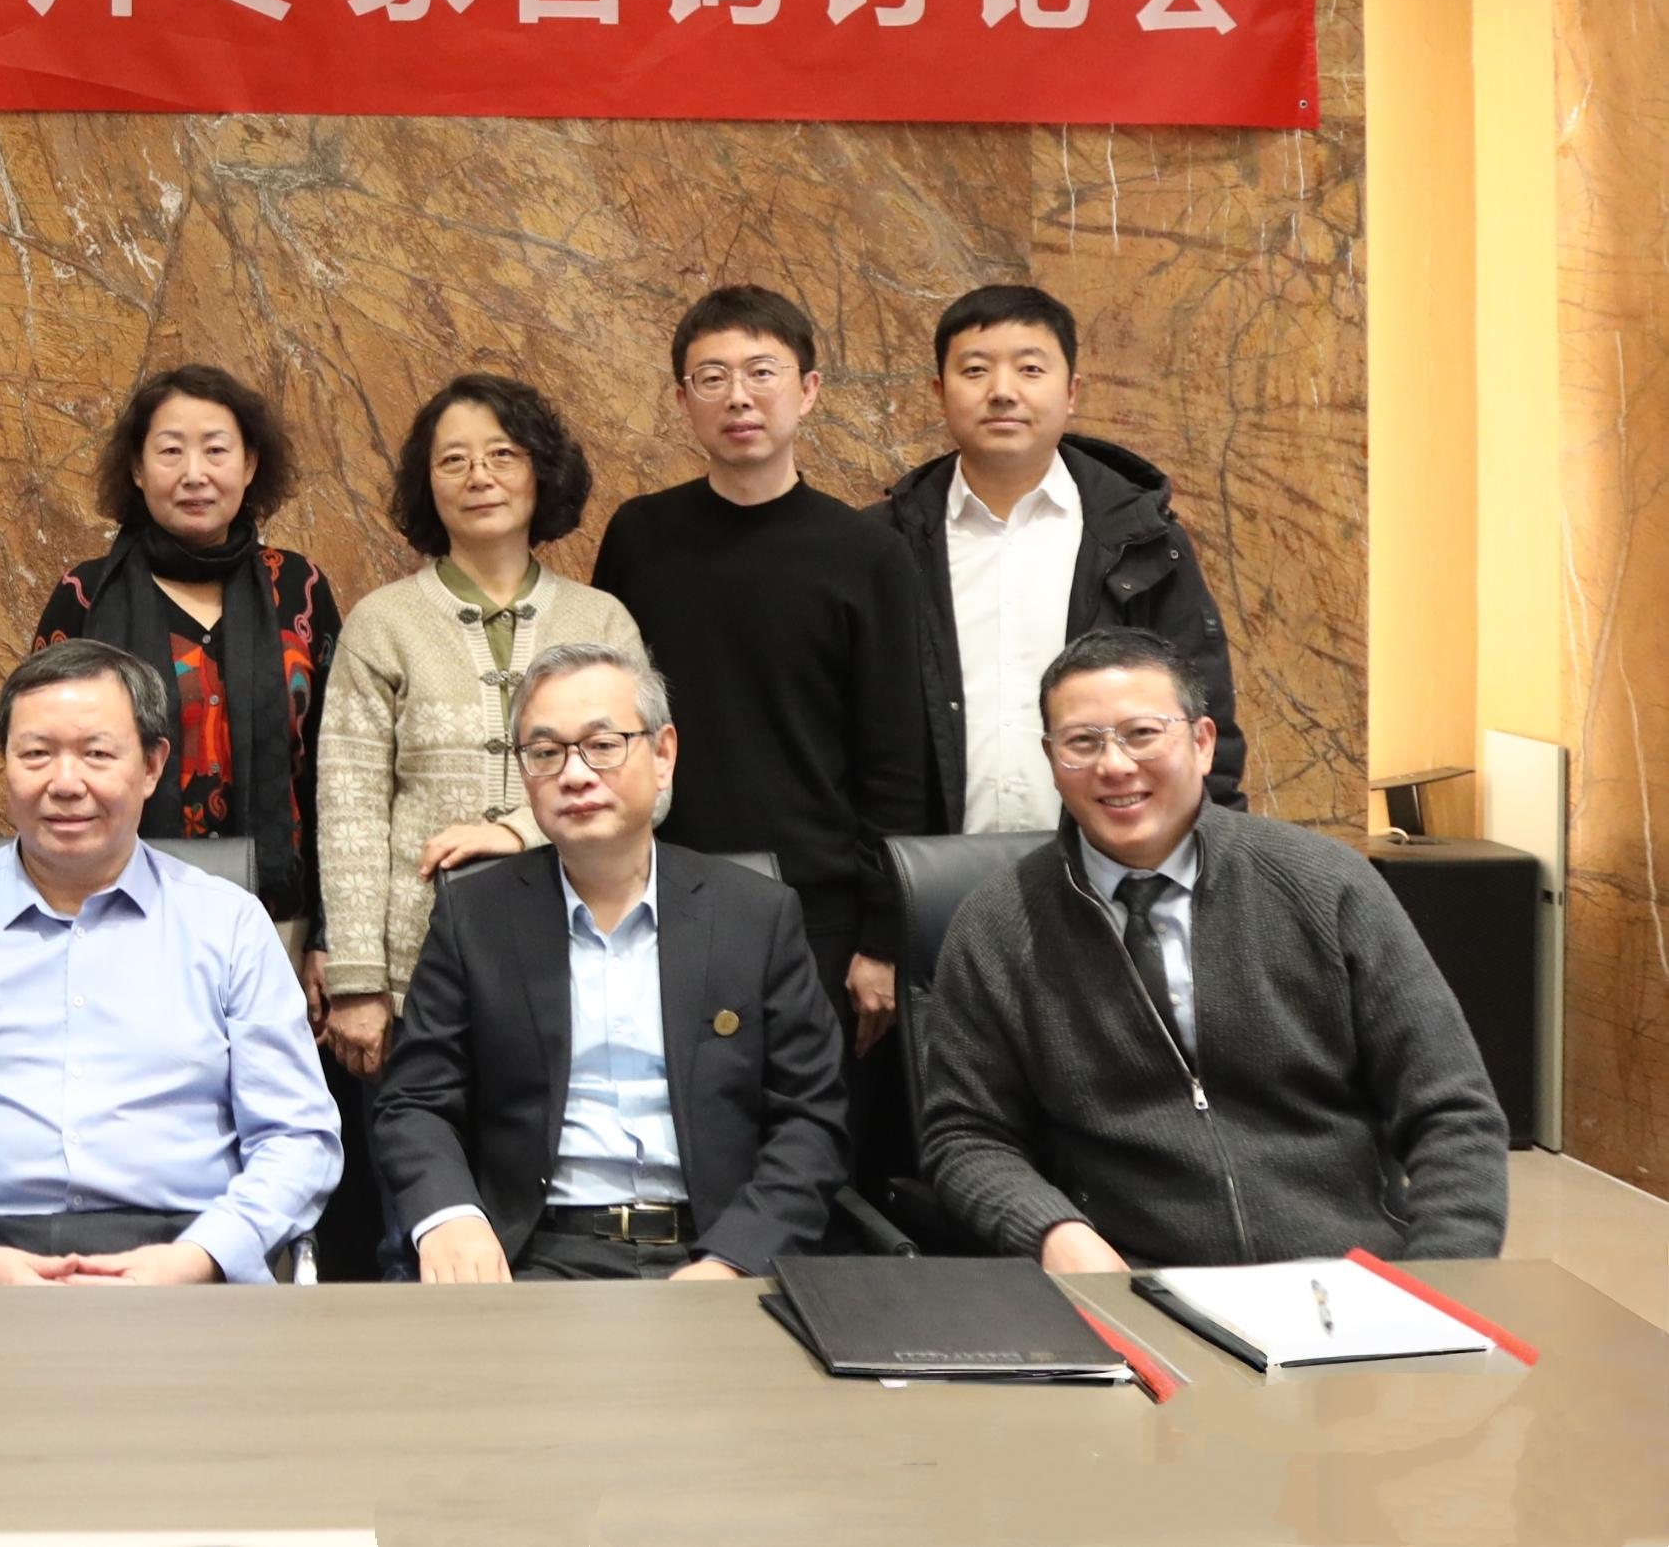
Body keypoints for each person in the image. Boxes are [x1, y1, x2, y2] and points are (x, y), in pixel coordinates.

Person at [918, 628, 1506, 1271]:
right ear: (1052, 759)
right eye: (1082, 742)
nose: (1114, 765)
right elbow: (966, 1135)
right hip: (1132, 1284)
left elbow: (1452, 1108)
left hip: (1345, 1277)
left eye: (1142, 734)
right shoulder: (1000, 924)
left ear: (1202, 744)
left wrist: (1441, 1281)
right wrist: (1052, 1232)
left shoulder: (1325, 886)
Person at [0, 639, 342, 1284]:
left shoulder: (231, 926)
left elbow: (297, 1138)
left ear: (152, 766)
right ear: (5, 765)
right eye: (36, 754)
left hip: (185, 1260)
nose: (65, 784)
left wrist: (201, 1258)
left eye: (97, 754)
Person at [372, 643, 848, 1282]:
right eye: (546, 752)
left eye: (602, 745)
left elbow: (812, 1120)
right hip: (534, 1257)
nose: (574, 774)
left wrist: (732, 1260)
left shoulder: (755, 915)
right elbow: (414, 1103)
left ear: (663, 755)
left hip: (714, 1251)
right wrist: (451, 1216)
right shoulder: (475, 918)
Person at [589, 285, 929, 1161]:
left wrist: (881, 940)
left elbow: (897, 758)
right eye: (712, 378)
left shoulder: (869, 554)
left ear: (808, 390)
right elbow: (605, 712)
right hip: (662, 891)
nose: (738, 397)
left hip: (818, 913)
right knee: (675, 1142)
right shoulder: (640, 536)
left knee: (811, 1151)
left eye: (762, 373)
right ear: (682, 400)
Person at [319, 373, 645, 1079]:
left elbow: (652, 786)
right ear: (427, 485)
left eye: (503, 455)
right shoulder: (383, 623)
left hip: (581, 954)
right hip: (416, 970)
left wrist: (518, 832)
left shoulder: (602, 620)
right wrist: (357, 979)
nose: (479, 477)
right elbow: (350, 808)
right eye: (453, 460)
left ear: (541, 472)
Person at [875, 282, 1247, 835]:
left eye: (1030, 369)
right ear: (939, 391)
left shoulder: (1142, 540)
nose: (1003, 392)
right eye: (975, 370)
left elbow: (1202, 721)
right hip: (927, 867)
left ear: (1071, 391)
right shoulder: (883, 544)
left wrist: (1206, 856)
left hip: (1108, 865)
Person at [31, 363, 342, 976]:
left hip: (276, 925)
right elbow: (42, 759)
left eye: (216, 450)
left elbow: (334, 773)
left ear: (249, 465)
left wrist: (329, 935)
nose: (194, 472)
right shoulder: (85, 596)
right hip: (113, 915)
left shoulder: (298, 590)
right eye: (171, 451)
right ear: (137, 468)